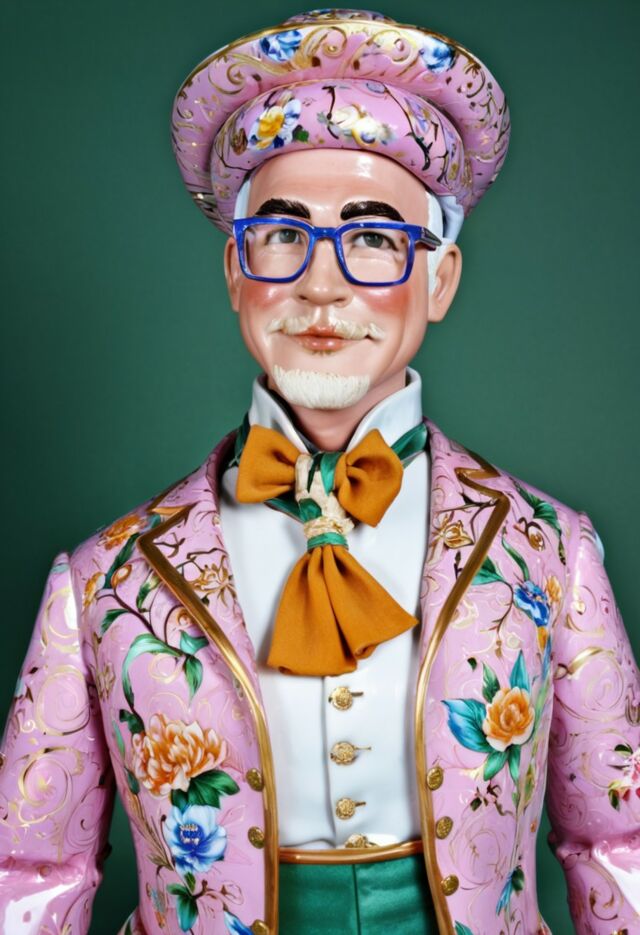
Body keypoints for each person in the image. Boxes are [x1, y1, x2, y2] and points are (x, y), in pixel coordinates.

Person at [0, 8, 638, 935]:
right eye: (282, 233)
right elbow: (29, 875)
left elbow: (622, 847)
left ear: (440, 280)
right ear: (234, 270)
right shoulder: (104, 581)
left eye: (374, 237)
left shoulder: (550, 553)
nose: (323, 284)